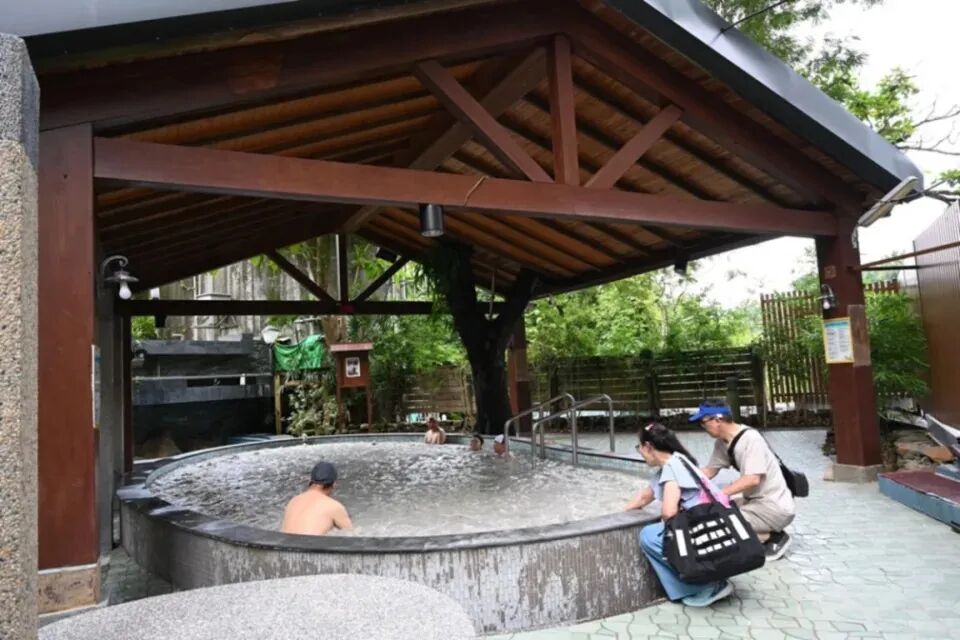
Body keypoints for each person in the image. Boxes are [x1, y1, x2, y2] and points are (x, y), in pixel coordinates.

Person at [624, 422, 735, 607]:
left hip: (705, 534)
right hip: (715, 527)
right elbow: (645, 497)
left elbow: (669, 512)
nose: (640, 453)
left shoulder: (671, 468)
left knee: (649, 536)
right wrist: (619, 514)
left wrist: (668, 532)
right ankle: (711, 578)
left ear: (648, 446)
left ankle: (704, 586)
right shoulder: (680, 460)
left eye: (639, 448)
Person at [691, 401, 796, 560]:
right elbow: (710, 471)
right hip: (753, 502)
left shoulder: (751, 439)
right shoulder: (722, 442)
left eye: (703, 422)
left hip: (772, 507)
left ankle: (772, 537)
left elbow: (752, 479)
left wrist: (719, 494)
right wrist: (683, 479)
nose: (703, 427)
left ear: (717, 420)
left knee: (717, 522)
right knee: (708, 512)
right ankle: (760, 532)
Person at [281, 461, 352, 535]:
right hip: (308, 545)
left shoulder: (294, 501)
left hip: (282, 545)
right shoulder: (334, 506)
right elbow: (350, 535)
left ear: (310, 481)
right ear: (333, 485)